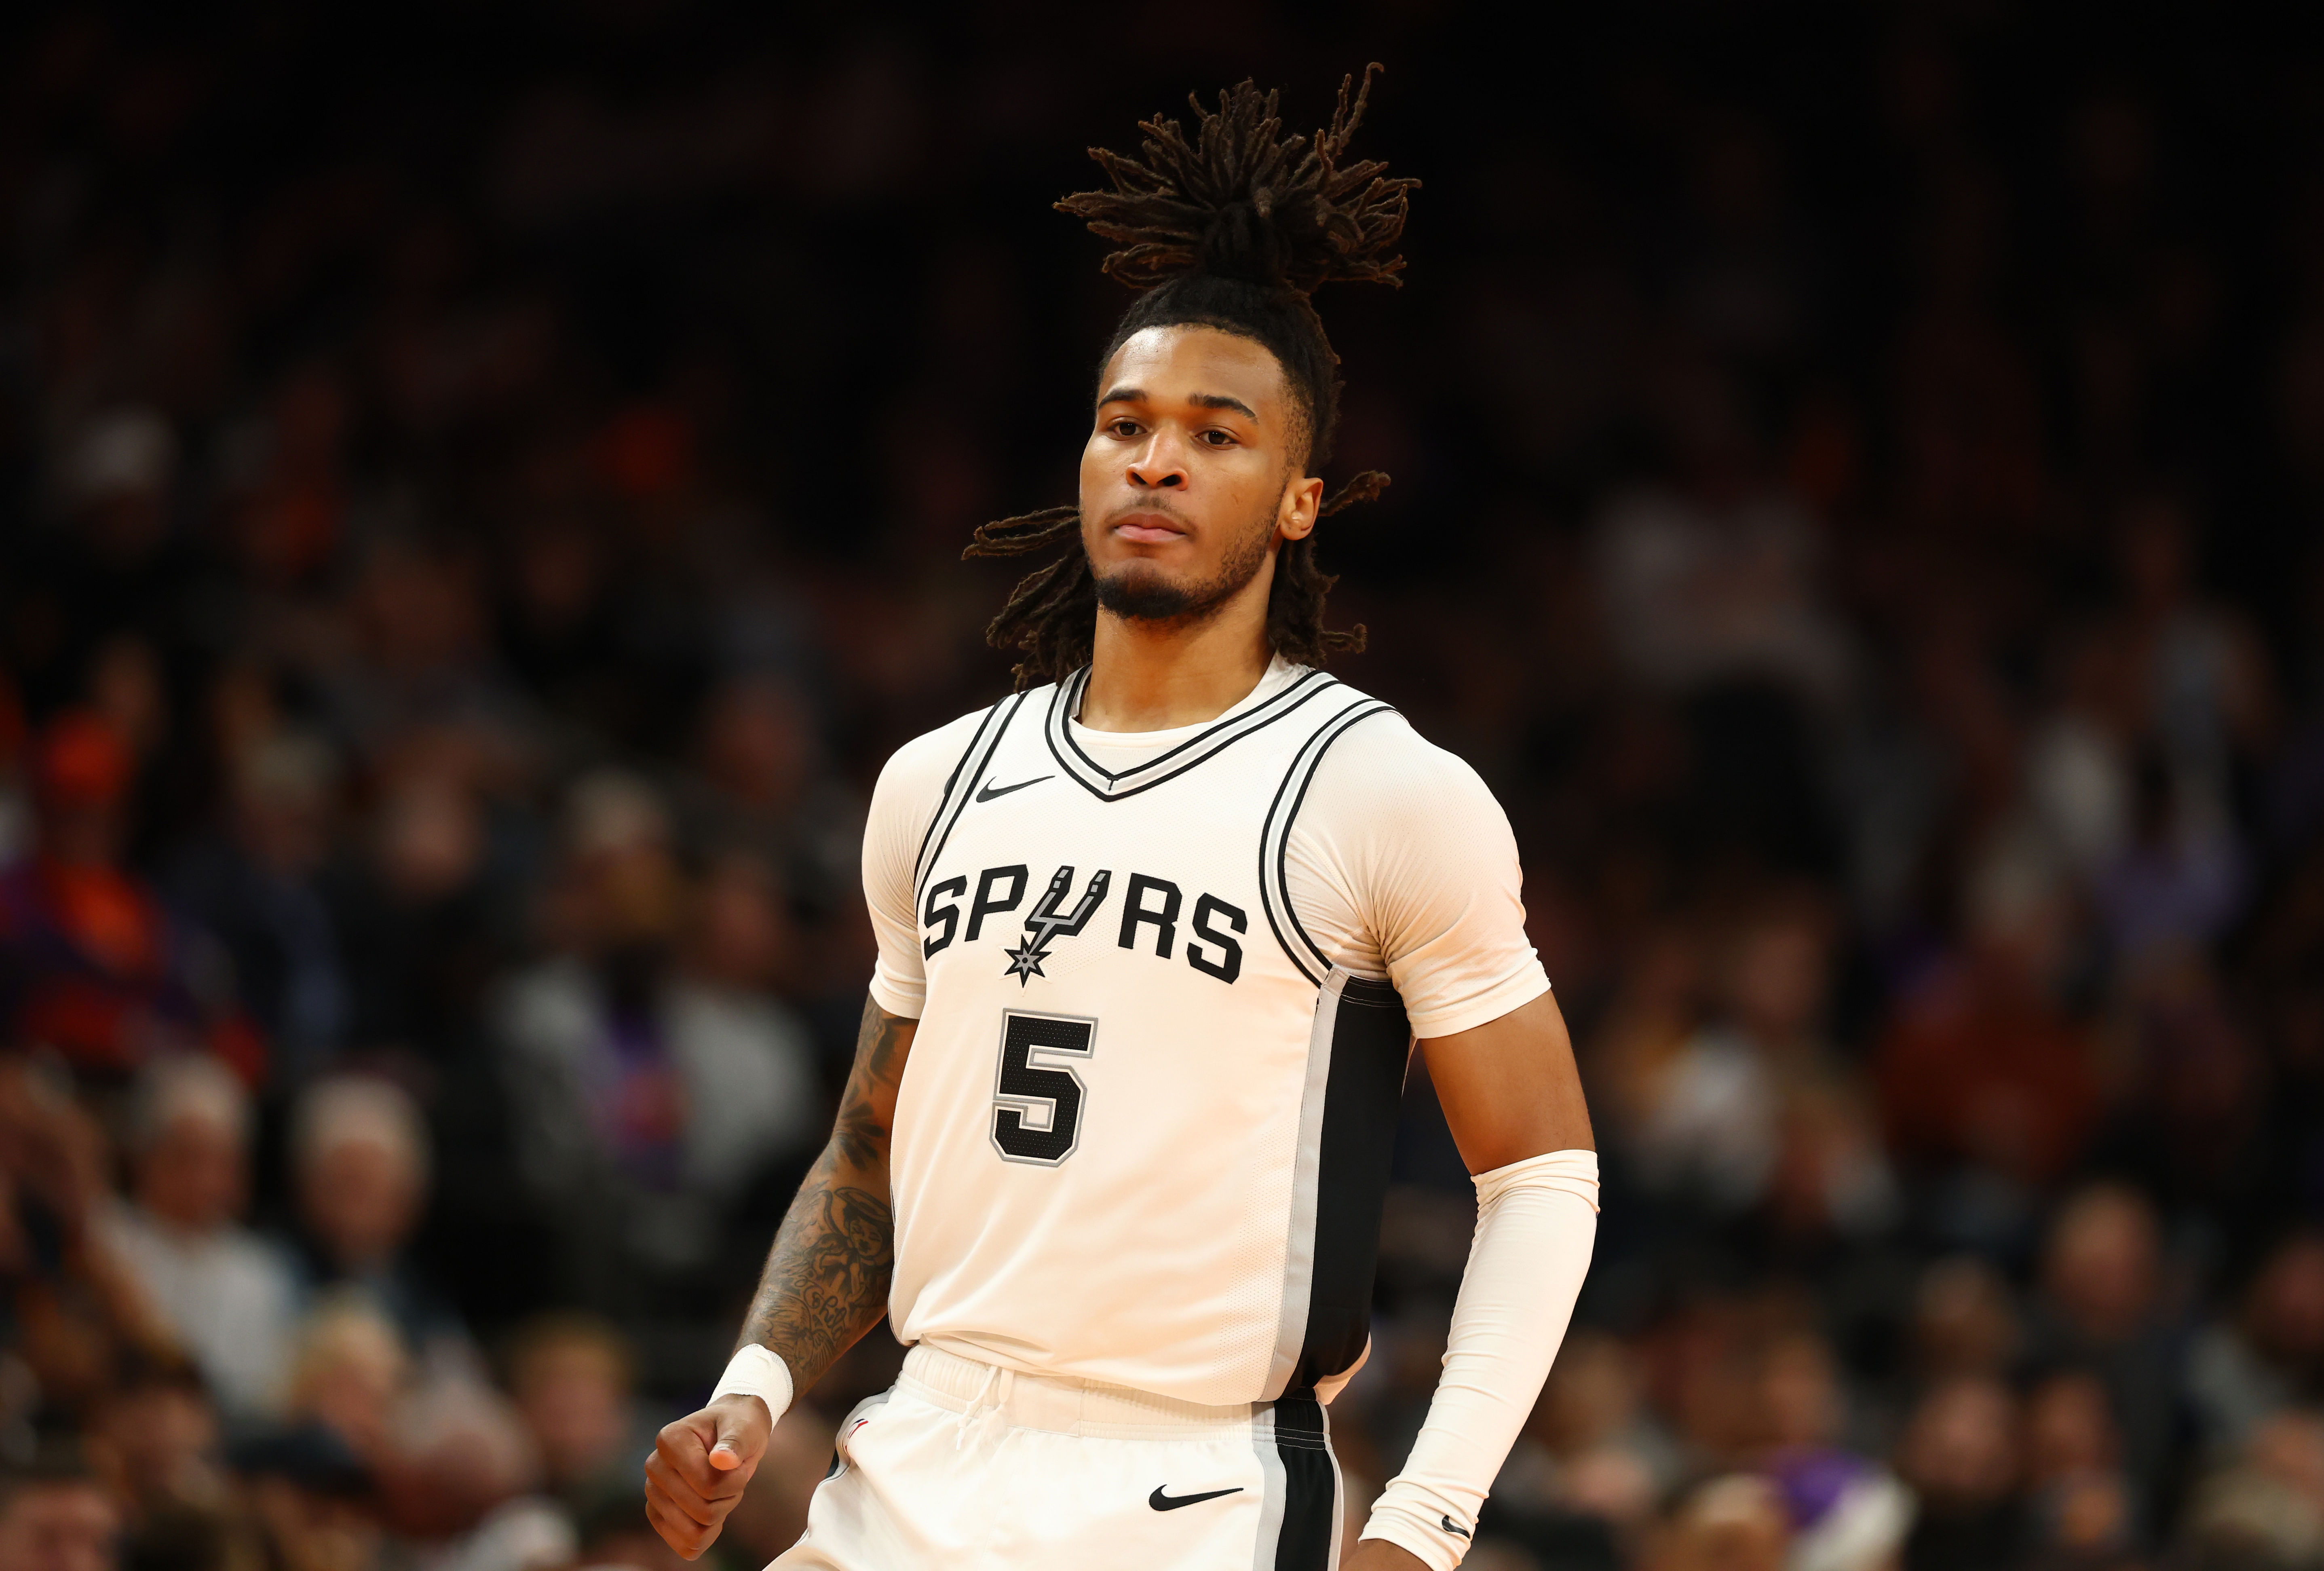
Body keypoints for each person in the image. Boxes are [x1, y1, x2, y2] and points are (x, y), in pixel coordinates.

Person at [643, 70, 1598, 1571]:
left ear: (1301, 498)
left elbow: (1542, 1175)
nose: (1156, 458)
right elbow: (865, 1155)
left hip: (1194, 1486)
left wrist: (1424, 1519)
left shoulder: (1380, 791)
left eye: (1217, 435)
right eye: (1125, 423)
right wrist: (754, 1388)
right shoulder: (937, 781)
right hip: (914, 1449)